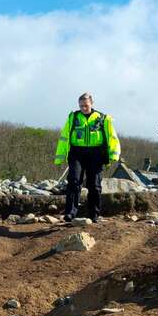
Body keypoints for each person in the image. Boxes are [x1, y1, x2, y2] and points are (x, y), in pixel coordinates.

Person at [54, 93, 121, 223]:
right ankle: (70, 213)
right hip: (76, 153)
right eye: (81, 106)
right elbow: (64, 137)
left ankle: (93, 215)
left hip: (96, 154)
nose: (84, 108)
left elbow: (112, 137)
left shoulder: (103, 118)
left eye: (86, 105)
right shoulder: (73, 117)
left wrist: (114, 154)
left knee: (94, 185)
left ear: (92, 104)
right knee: (73, 181)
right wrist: (60, 157)